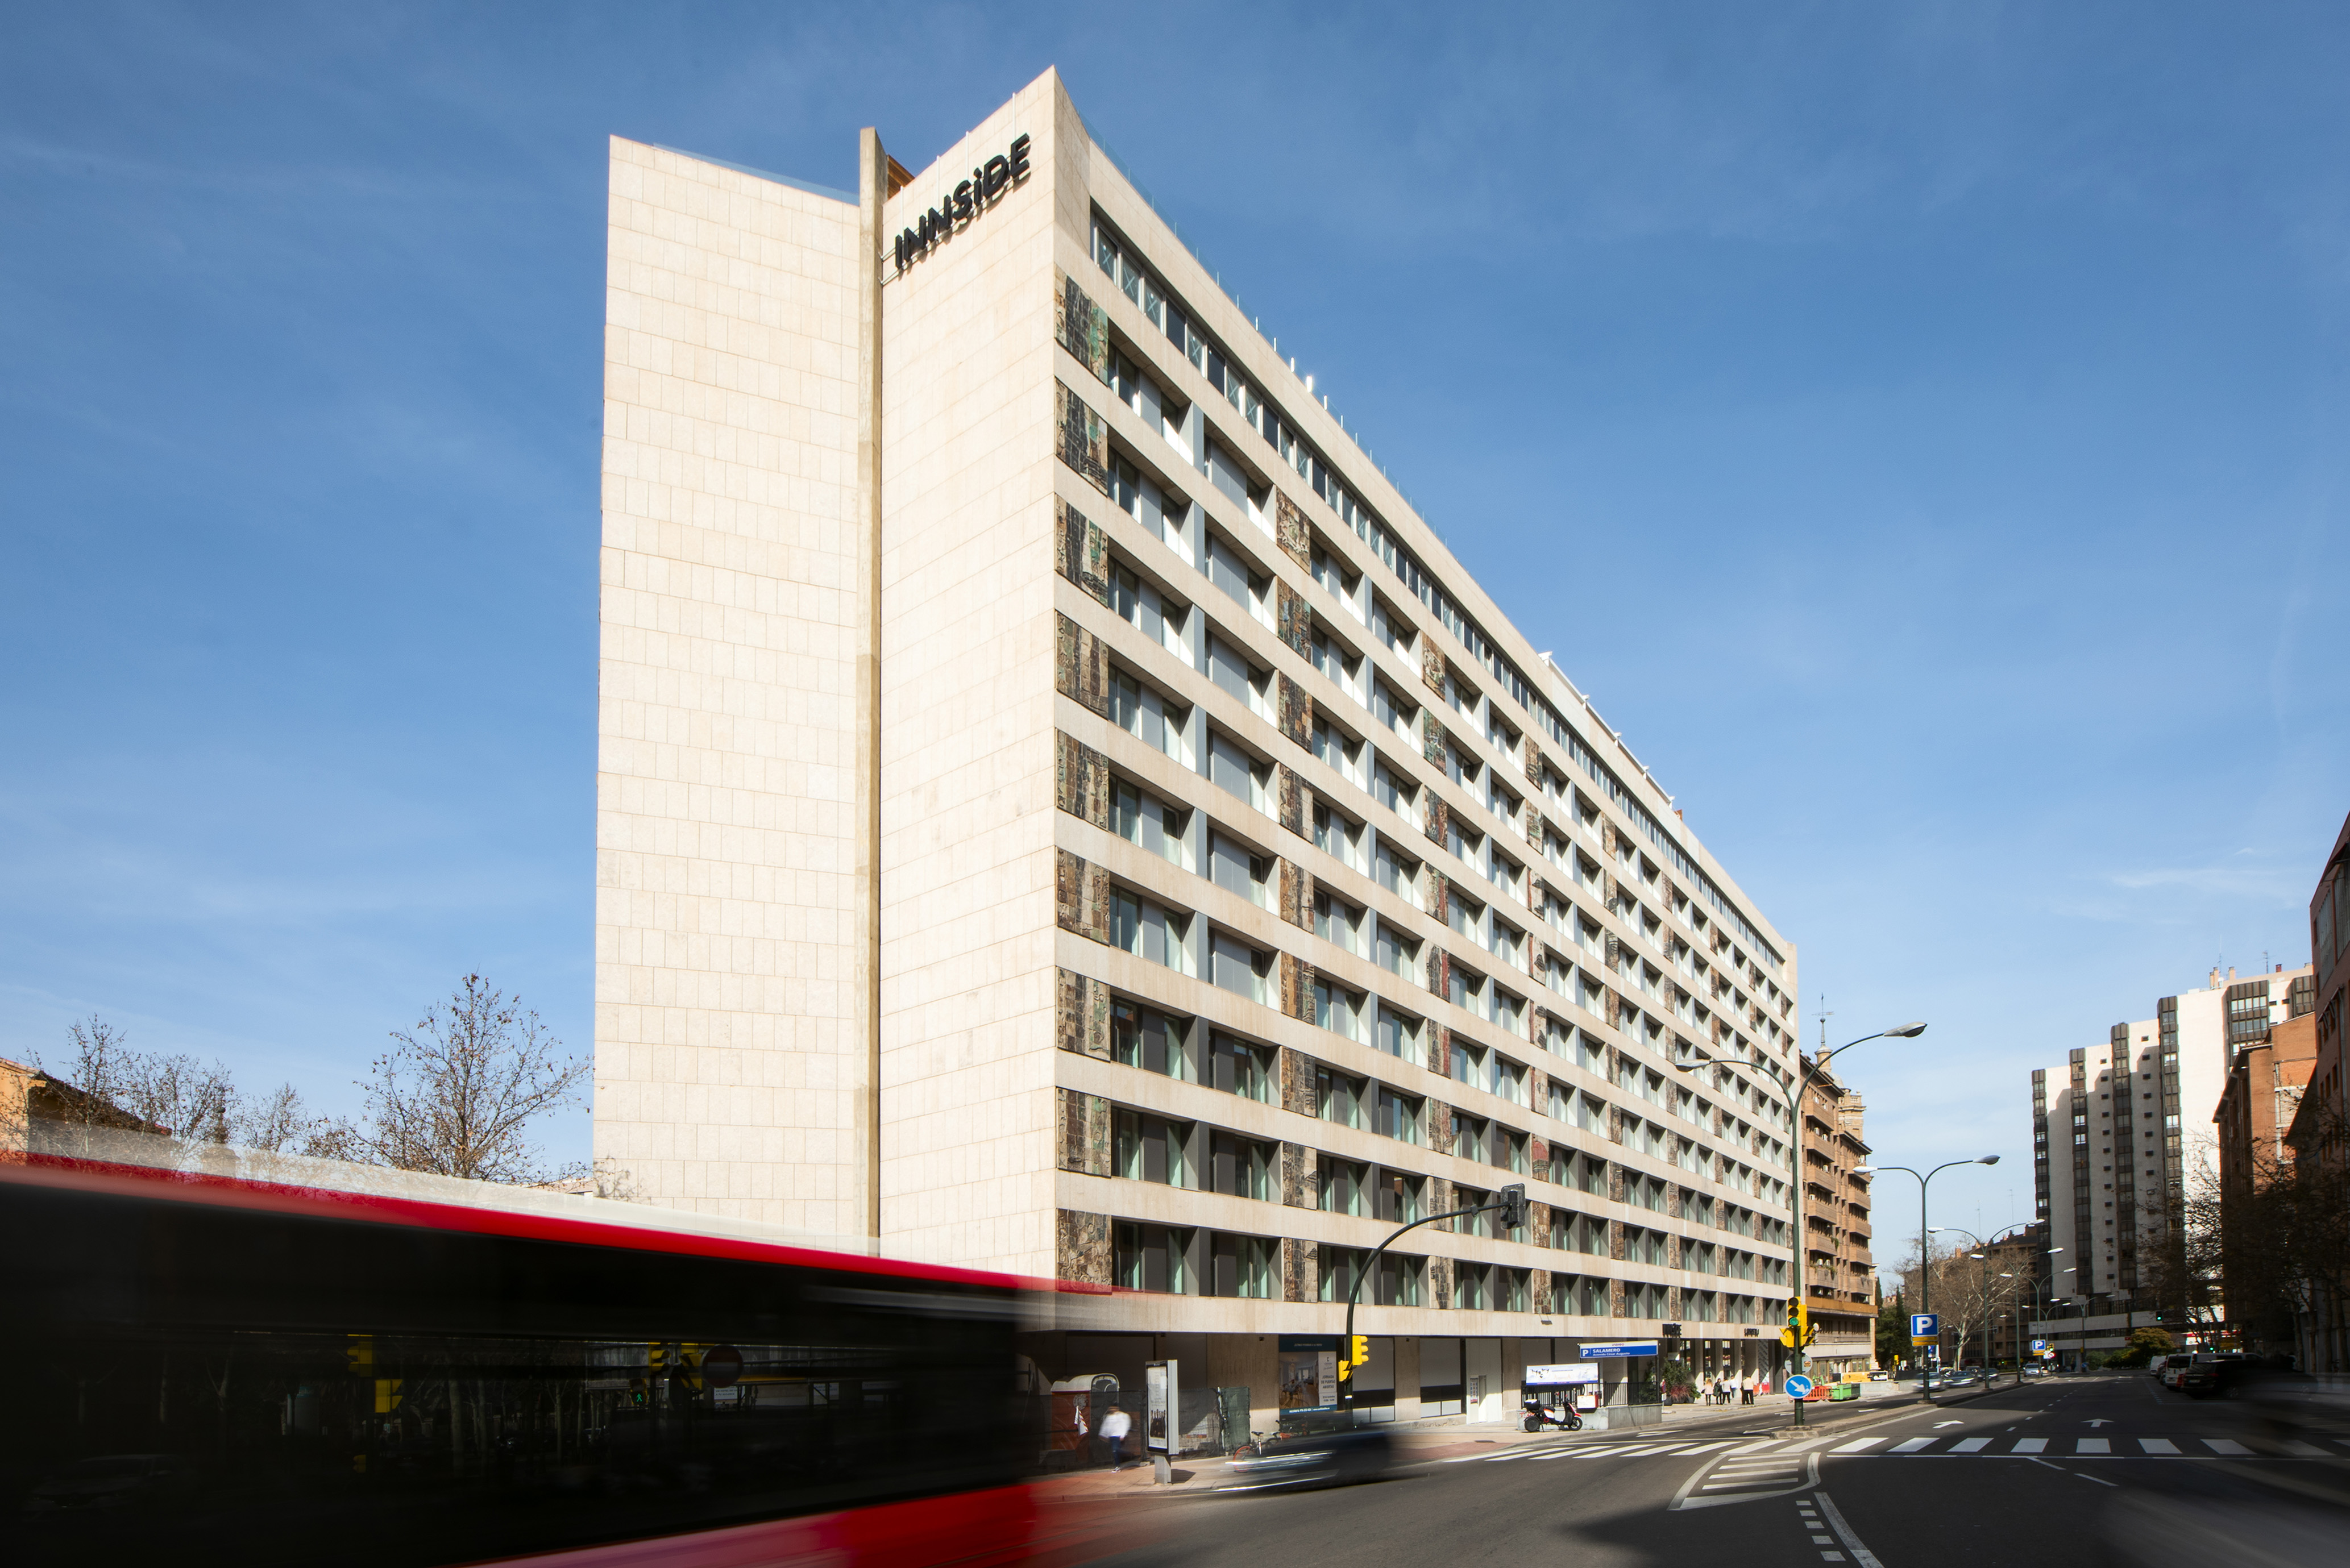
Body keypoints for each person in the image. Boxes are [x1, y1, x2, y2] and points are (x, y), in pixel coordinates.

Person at [1098, 1403, 1133, 1472]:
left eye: (1113, 1408)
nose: (1112, 1410)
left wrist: (1123, 1435)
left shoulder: (1123, 1416)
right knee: (1115, 1451)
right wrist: (1103, 1435)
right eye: (1111, 1408)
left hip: (1119, 1436)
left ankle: (1118, 1465)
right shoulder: (1109, 1417)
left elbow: (1125, 1425)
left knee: (1115, 1450)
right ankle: (1120, 1461)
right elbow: (1106, 1426)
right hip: (1112, 1436)